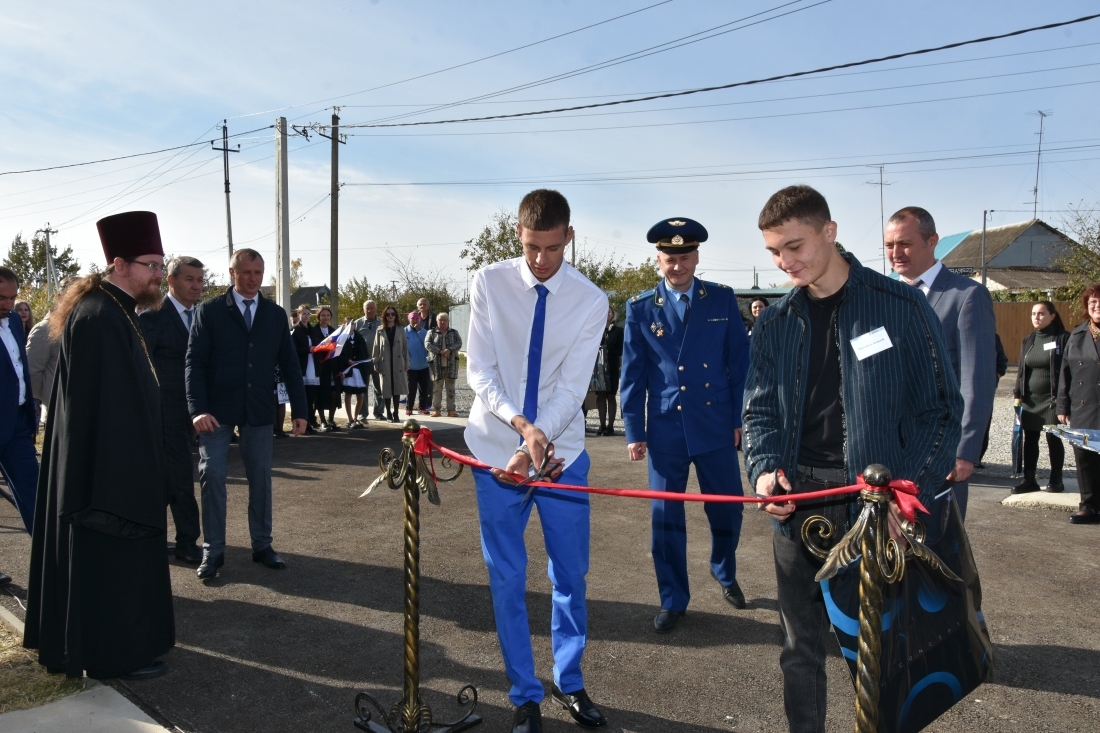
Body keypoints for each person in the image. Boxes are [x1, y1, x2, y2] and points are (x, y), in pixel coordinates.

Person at [744, 186, 962, 733]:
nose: (785, 262)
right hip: (799, 507)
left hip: (876, 506)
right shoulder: (774, 322)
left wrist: (905, 492)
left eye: (794, 246)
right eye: (774, 252)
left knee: (883, 651)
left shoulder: (900, 305)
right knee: (799, 649)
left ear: (830, 232)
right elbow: (759, 414)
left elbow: (940, 410)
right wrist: (766, 472)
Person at [466, 189, 609, 733]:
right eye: (531, 248)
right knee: (507, 577)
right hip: (496, 449)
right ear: (518, 236)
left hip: (561, 456)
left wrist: (541, 438)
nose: (541, 260)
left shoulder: (591, 301)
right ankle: (524, 693)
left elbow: (574, 388)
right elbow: (479, 370)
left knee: (570, 574)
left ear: (568, 237)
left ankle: (568, 682)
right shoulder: (487, 282)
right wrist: (521, 430)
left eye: (552, 248)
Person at [25, 210, 177, 680]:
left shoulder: (116, 311)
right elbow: (102, 414)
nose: (159, 274)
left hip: (120, 467)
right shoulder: (98, 317)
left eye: (160, 263)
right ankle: (114, 656)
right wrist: (133, 473)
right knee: (110, 566)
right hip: (106, 479)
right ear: (119, 264)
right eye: (151, 264)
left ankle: (130, 646)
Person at [620, 217, 751, 633]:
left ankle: (723, 569)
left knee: (728, 510)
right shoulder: (641, 308)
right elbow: (633, 372)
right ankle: (673, 597)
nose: (678, 266)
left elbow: (739, 365)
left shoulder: (722, 299)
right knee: (665, 518)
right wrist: (634, 431)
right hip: (665, 427)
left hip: (714, 423)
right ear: (658, 259)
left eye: (685, 257)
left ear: (697, 257)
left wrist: (738, 420)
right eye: (670, 258)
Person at [186, 248, 307, 580]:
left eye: (258, 272)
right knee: (212, 475)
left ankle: (262, 545)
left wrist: (300, 409)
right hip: (216, 410)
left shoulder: (274, 314)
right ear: (232, 273)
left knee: (261, 478)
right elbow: (193, 363)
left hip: (258, 409)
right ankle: (213, 549)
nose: (253, 279)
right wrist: (197, 410)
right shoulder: (209, 311)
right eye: (246, 273)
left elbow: (290, 365)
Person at [885, 206, 996, 518]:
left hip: (938, 454)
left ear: (932, 241)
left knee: (935, 553)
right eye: (889, 245)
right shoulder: (883, 297)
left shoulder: (966, 296)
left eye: (904, 243)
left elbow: (977, 381)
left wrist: (964, 451)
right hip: (886, 452)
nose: (896, 253)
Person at [138, 256, 205, 565]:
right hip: (164, 414)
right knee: (179, 478)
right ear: (172, 280)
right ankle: (187, 543)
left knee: (167, 480)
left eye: (200, 280)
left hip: (197, 415)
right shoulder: (152, 318)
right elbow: (141, 369)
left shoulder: (204, 317)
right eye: (190, 279)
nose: (196, 286)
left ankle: (147, 536)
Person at [0, 267, 38, 590]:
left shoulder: (13, 320)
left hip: (17, 427)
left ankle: (50, 559)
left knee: (34, 492)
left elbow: (19, 367)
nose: (9, 304)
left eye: (13, 297)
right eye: (2, 297)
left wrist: (30, 409)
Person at [1011, 302, 1068, 493]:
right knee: (1030, 439)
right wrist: (1017, 394)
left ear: (1052, 316)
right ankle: (1029, 480)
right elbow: (1021, 370)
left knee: (1053, 438)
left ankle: (1056, 479)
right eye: (1034, 314)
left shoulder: (1062, 338)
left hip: (1051, 400)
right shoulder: (1029, 340)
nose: (1036, 317)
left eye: (1041, 314)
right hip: (1030, 400)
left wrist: (1064, 400)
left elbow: (1066, 371)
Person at [1056, 284, 1100, 524]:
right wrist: (1062, 406)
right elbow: (1065, 372)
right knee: (1085, 459)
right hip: (1083, 406)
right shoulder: (1078, 334)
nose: (1097, 306)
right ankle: (1088, 505)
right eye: (1093, 302)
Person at [372, 305, 409, 422]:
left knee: (397, 388)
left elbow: (405, 348)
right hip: (385, 362)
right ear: (384, 316)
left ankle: (396, 413)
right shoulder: (380, 330)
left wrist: (407, 362)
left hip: (398, 363)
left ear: (395, 315)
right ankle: (388, 413)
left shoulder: (400, 329)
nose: (390, 316)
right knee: (386, 389)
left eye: (392, 314)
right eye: (388, 314)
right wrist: (375, 363)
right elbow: (376, 348)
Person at [978, 334, 1009, 469]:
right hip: (959, 387)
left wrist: (994, 378)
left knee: (982, 423)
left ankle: (975, 458)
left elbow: (1001, 362)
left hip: (984, 388)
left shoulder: (992, 336)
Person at [333, 316, 369, 429]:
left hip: (359, 369)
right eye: (347, 323)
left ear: (354, 325)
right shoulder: (341, 339)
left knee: (361, 395)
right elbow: (338, 355)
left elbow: (364, 353)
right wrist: (347, 361)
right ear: (344, 325)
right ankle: (350, 419)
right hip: (348, 369)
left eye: (352, 324)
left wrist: (360, 361)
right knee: (348, 394)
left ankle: (356, 417)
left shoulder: (359, 337)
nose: (350, 326)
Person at [593, 305, 624, 436]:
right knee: (600, 396)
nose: (607, 314)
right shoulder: (596, 329)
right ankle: (601, 425)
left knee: (611, 396)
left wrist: (607, 351)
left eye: (610, 312)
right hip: (598, 367)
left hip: (611, 366)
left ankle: (610, 426)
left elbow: (620, 349)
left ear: (613, 314)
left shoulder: (618, 330)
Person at [425, 311, 462, 417]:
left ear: (448, 321)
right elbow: (427, 344)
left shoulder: (454, 332)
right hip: (436, 365)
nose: (442, 322)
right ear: (437, 321)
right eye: (440, 320)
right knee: (437, 389)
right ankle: (436, 410)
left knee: (451, 389)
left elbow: (459, 343)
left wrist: (449, 350)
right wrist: (440, 351)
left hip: (451, 366)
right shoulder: (431, 332)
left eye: (445, 320)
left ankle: (451, 410)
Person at [292, 305, 321, 433]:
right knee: (301, 397)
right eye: (303, 313)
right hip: (302, 366)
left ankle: (310, 422)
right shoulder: (295, 330)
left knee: (311, 397)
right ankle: (300, 423)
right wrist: (307, 350)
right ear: (298, 315)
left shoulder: (313, 330)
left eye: (308, 314)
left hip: (313, 366)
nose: (306, 316)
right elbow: (293, 350)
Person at [353, 300, 384, 420]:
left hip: (378, 360)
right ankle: (362, 413)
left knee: (379, 387)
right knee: (362, 388)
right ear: (363, 309)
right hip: (363, 361)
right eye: (367, 308)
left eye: (372, 308)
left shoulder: (382, 322)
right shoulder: (357, 323)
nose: (369, 310)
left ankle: (379, 412)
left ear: (376, 309)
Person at [311, 305, 339, 431]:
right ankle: (322, 421)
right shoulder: (313, 330)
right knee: (320, 394)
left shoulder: (334, 331)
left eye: (328, 315)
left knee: (334, 394)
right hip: (319, 366)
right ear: (318, 316)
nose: (325, 317)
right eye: (323, 315)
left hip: (332, 367)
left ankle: (331, 420)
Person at [405, 311, 431, 416]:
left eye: (417, 318)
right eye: (413, 318)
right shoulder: (404, 331)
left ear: (419, 319)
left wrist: (419, 330)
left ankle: (422, 407)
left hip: (423, 365)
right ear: (409, 319)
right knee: (411, 389)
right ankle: (409, 407)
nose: (415, 320)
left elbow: (426, 344)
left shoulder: (425, 331)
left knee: (424, 388)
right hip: (411, 366)